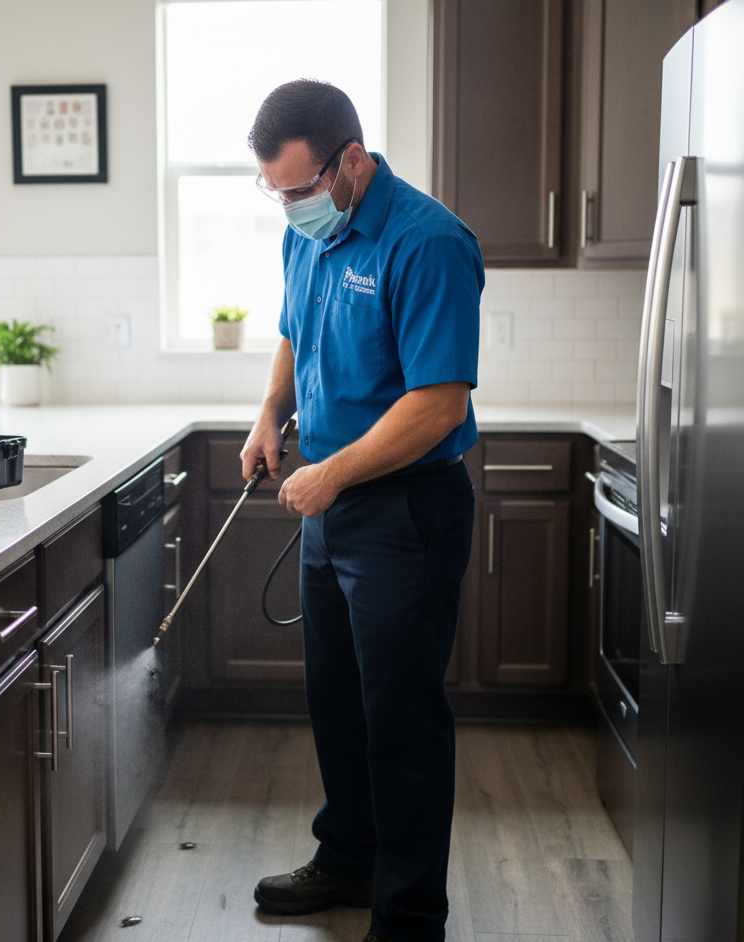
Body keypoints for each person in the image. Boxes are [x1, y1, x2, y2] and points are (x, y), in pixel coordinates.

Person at [240, 80, 483, 942]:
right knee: (338, 701)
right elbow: (295, 332)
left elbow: (440, 403)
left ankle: (409, 915)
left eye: (300, 188)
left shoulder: (427, 241)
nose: (290, 206)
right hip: (331, 504)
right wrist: (270, 412)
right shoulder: (308, 233)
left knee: (401, 718)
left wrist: (333, 473)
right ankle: (348, 859)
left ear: (350, 161)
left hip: (405, 511)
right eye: (275, 192)